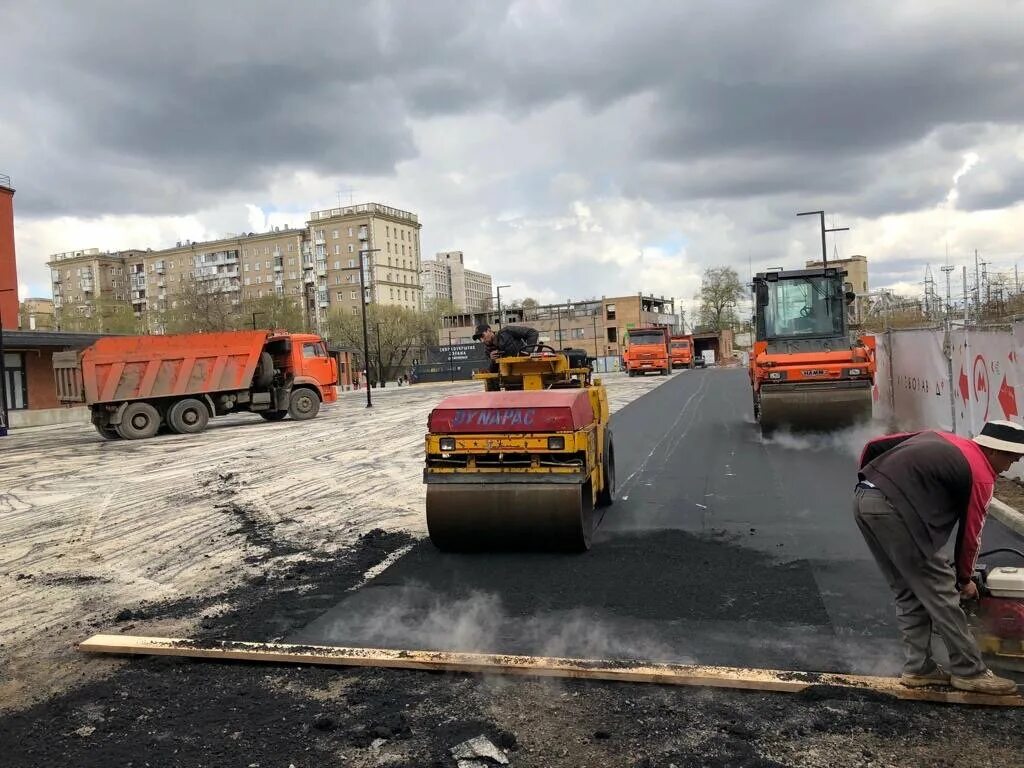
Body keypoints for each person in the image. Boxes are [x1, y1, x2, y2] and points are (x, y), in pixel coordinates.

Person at [855, 420, 1024, 695]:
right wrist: (964, 578)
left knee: (908, 591)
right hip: (896, 511)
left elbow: (874, 446)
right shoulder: (980, 472)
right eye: (1011, 457)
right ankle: (970, 672)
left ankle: (918, 669)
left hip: (864, 498)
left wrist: (874, 483)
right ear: (993, 451)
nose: (1011, 464)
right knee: (942, 592)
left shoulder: (944, 439)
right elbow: (971, 534)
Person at [472, 323, 539, 370]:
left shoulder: (506, 332)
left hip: (527, 368)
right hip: (509, 378)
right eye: (479, 339)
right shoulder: (488, 351)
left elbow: (532, 333)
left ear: (489, 331)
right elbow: (492, 372)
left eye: (482, 336)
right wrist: (493, 360)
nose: (482, 340)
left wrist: (527, 352)